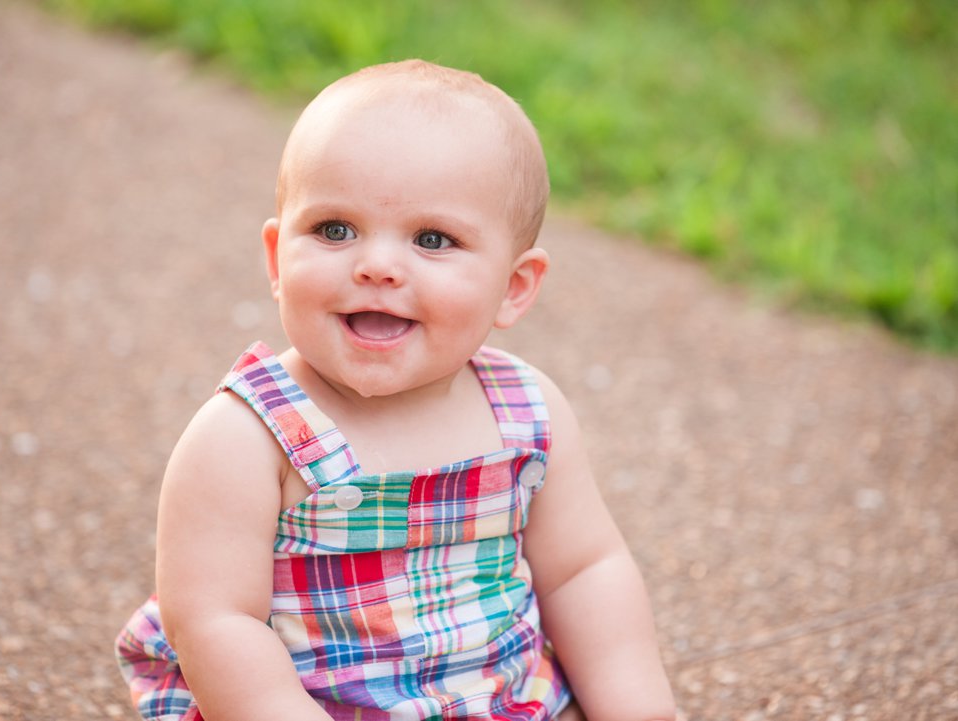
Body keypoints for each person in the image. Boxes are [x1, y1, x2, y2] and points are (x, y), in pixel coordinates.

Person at [116, 59, 675, 721]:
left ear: (513, 287)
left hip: (498, 699)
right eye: (334, 229)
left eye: (432, 239)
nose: (377, 265)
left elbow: (584, 569)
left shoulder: (526, 412)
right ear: (275, 259)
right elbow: (215, 623)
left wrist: (637, 707)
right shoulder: (245, 436)